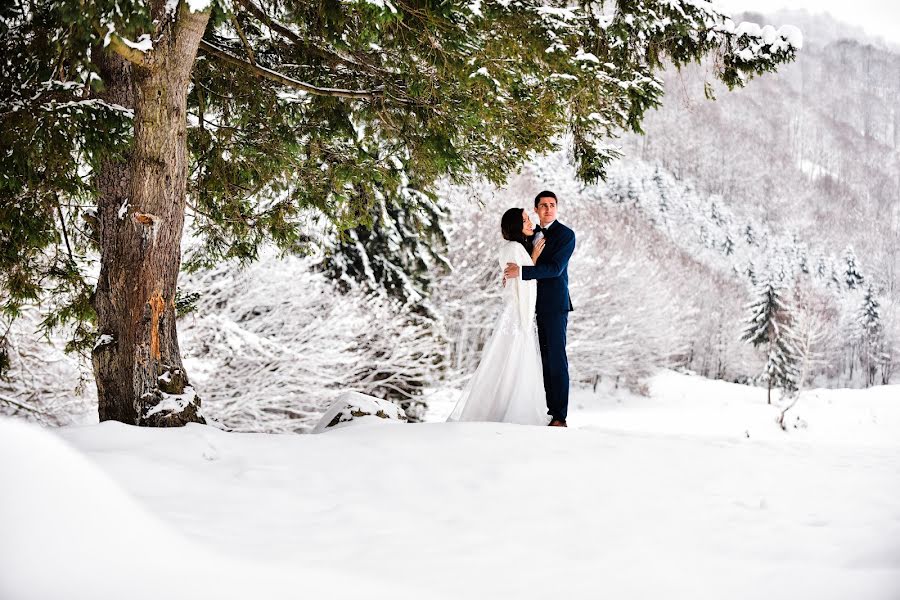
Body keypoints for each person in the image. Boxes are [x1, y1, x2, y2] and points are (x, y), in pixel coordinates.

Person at [448, 208, 549, 425]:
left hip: (511, 311)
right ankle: (507, 410)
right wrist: (534, 257)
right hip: (517, 312)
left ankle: (498, 405)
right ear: (515, 225)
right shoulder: (515, 248)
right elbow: (524, 281)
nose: (530, 222)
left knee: (505, 357)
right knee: (513, 357)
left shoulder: (509, 248)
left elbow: (513, 277)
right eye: (525, 220)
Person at [503, 191, 575, 427]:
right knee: (540, 360)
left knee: (556, 359)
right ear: (535, 209)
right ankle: (545, 411)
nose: (548, 209)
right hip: (529, 306)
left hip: (554, 306)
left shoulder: (566, 235)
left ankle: (559, 416)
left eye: (552, 205)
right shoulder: (530, 233)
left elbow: (555, 268)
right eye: (543, 205)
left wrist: (521, 273)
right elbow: (518, 257)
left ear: (557, 208)